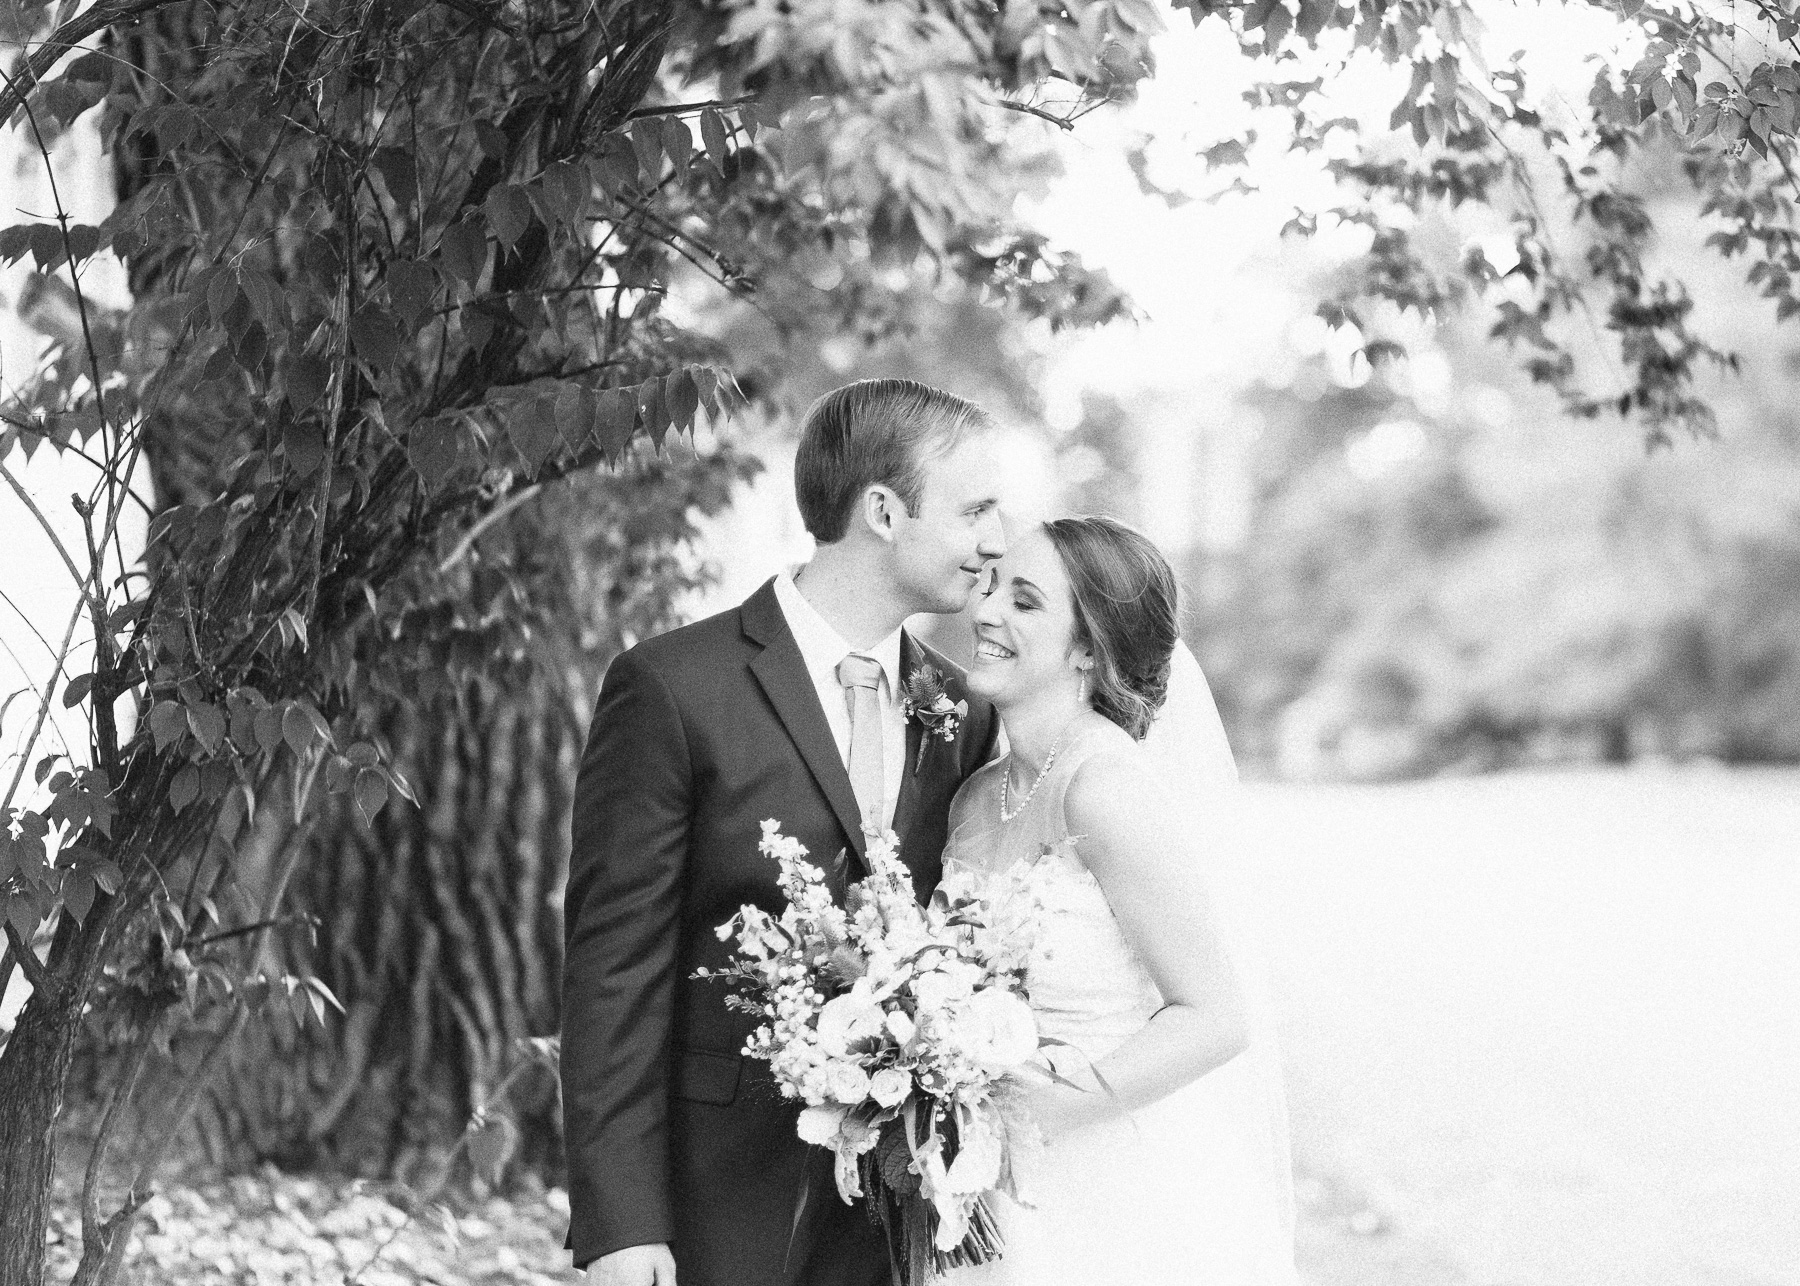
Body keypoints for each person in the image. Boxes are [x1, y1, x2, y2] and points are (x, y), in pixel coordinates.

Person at [562, 379, 1006, 1286]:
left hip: (899, 1200)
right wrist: (620, 1223)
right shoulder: (672, 688)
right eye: (975, 511)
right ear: (883, 511)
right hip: (716, 1192)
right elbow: (613, 971)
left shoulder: (963, 711)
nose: (995, 542)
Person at [939, 515, 1299, 1285]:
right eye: (993, 586)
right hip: (982, 1200)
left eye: (1025, 601)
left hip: (1116, 1199)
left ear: (1089, 650)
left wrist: (1036, 1117)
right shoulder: (974, 797)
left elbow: (1216, 1017)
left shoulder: (1105, 790)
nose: (986, 611)